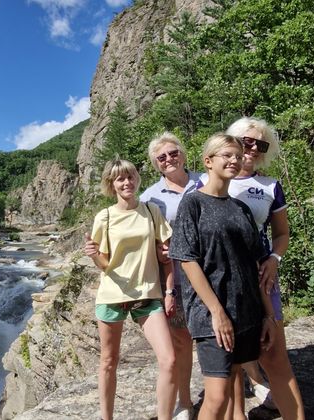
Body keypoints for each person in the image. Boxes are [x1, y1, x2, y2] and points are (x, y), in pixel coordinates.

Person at [169, 133, 276, 420]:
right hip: (210, 315)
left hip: (246, 310)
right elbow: (187, 260)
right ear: (208, 161)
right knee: (216, 397)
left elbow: (254, 265)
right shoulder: (193, 204)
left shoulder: (241, 208)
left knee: (233, 385)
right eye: (227, 155)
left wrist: (267, 315)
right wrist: (217, 312)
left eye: (238, 156)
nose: (235, 160)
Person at [224, 117, 305, 419]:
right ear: (232, 141)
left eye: (261, 144)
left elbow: (282, 234)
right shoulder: (210, 181)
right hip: (223, 281)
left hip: (261, 278)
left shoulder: (270, 186)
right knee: (229, 361)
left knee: (275, 358)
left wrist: (274, 259)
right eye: (248, 141)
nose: (254, 149)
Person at [84, 158, 177, 420]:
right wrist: (94, 254)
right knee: (108, 361)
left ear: (137, 178)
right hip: (113, 295)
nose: (127, 182)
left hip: (147, 294)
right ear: (111, 184)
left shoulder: (150, 211)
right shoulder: (104, 217)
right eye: (120, 179)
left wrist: (169, 291)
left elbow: (166, 255)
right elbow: (104, 264)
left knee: (169, 360)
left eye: (130, 176)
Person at [140, 132, 201, 420]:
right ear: (156, 164)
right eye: (161, 157)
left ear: (183, 154)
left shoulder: (205, 182)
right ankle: (185, 402)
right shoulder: (150, 197)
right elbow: (142, 237)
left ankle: (237, 392)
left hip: (214, 273)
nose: (168, 159)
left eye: (173, 153)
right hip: (176, 279)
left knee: (223, 336)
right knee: (182, 341)